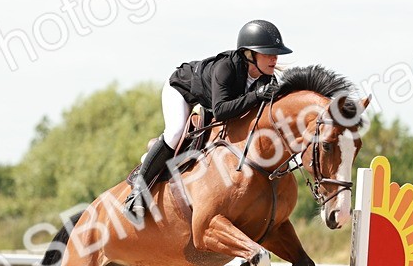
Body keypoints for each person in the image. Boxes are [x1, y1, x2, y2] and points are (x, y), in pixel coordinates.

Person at [125, 19, 293, 213]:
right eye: (269, 54)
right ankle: (138, 190)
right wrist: (256, 96)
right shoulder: (226, 68)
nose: (275, 59)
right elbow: (221, 110)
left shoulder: (266, 78)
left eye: (276, 54)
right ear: (250, 54)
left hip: (209, 101)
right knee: (176, 131)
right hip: (181, 90)